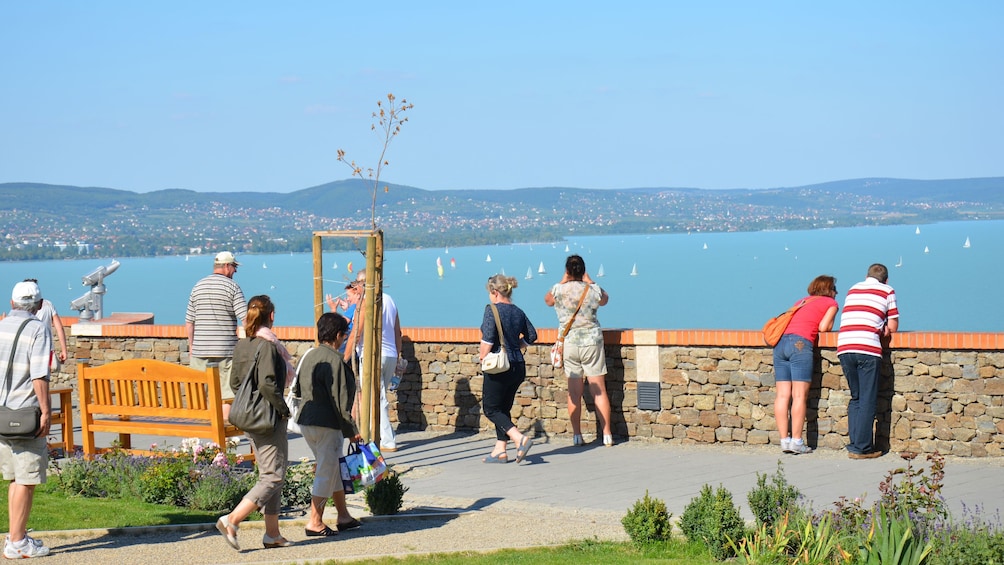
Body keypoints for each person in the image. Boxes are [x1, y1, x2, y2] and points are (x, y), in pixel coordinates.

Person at [216, 295, 292, 551]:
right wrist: (283, 410)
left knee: (270, 475)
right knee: (273, 476)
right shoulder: (268, 346)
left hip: (248, 416)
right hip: (267, 417)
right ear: (271, 315)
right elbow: (268, 384)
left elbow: (237, 383)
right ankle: (232, 520)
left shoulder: (242, 345)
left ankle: (272, 534)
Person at [295, 313, 362, 537]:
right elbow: (340, 403)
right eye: (344, 334)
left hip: (306, 421)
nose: (344, 339)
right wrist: (352, 431)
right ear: (337, 335)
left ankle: (343, 515)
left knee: (331, 468)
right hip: (327, 424)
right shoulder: (336, 362)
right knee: (325, 471)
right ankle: (314, 521)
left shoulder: (309, 355)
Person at [0, 281, 52, 558]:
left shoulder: (1, 326)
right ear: (39, 305)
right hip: (25, 413)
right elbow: (38, 375)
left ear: (11, 303)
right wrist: (46, 410)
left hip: (1, 412)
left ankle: (14, 536)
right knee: (26, 478)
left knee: (14, 478)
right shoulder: (37, 329)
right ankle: (17, 543)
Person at [544, 255, 613, 447]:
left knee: (574, 393)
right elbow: (605, 299)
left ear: (567, 270)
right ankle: (607, 434)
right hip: (592, 342)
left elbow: (548, 300)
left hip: (571, 344)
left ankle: (576, 435)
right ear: (583, 270)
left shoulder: (559, 290)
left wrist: (563, 280)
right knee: (599, 389)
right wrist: (590, 281)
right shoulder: (592, 289)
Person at [837, 263, 899, 460]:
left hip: (844, 347)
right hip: (867, 349)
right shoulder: (887, 290)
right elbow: (894, 326)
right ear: (886, 279)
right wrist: (884, 329)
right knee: (868, 398)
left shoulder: (853, 289)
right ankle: (863, 447)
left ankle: (854, 443)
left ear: (866, 276)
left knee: (856, 397)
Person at [773, 275, 839, 455]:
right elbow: (824, 327)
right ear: (828, 290)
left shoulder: (801, 301)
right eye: (835, 289)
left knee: (782, 395)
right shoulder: (830, 304)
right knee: (799, 395)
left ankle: (784, 441)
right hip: (800, 344)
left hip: (780, 344)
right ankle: (797, 441)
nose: (836, 293)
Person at [479, 274, 537, 464]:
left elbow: (487, 339)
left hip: (499, 366)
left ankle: (519, 439)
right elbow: (532, 335)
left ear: (495, 292)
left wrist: (482, 356)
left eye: (489, 292)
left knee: (490, 409)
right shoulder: (518, 311)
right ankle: (500, 450)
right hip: (517, 366)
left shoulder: (492, 310)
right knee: (503, 408)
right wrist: (515, 346)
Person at [186, 251, 247, 422]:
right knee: (227, 393)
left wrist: (192, 347)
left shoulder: (198, 286)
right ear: (227, 266)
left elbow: (190, 322)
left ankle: (201, 433)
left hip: (199, 351)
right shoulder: (232, 287)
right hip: (226, 351)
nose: (235, 271)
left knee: (198, 394)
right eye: (234, 267)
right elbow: (246, 319)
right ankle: (222, 430)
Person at [350, 270, 403, 452]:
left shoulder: (367, 301)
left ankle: (387, 440)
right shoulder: (390, 299)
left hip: (373, 353)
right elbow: (397, 331)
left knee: (376, 398)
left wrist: (347, 355)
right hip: (391, 354)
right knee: (378, 396)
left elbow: (357, 332)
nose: (355, 287)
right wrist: (398, 355)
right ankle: (375, 434)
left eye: (357, 282)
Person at [22, 279, 67, 374]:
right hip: (47, 351)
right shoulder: (48, 304)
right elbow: (59, 328)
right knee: (44, 382)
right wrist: (64, 350)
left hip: (28, 351)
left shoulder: (21, 308)